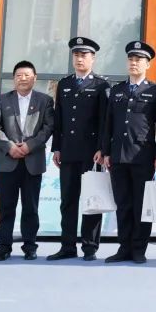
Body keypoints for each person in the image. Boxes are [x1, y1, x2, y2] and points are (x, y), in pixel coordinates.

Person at [101, 41, 156, 264]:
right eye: (131, 59)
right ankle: (124, 247)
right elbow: (108, 123)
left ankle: (139, 248)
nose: (134, 63)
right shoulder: (117, 90)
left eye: (138, 60)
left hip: (143, 156)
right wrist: (106, 151)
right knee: (123, 204)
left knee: (142, 204)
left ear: (147, 64)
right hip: (118, 155)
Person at [47, 37, 110, 261]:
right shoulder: (65, 84)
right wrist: (56, 147)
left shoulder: (101, 85)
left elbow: (105, 121)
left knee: (92, 201)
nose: (79, 59)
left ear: (93, 58)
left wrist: (102, 148)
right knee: (68, 200)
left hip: (91, 153)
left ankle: (90, 247)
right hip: (68, 151)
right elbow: (59, 119)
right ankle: (67, 246)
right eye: (76, 55)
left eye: (84, 55)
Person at [0, 60, 54, 261]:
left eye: (27, 75)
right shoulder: (2, 100)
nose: (22, 79)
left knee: (30, 207)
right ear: (13, 78)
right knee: (6, 206)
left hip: (32, 161)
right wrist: (9, 146)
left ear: (35, 78)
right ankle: (4, 246)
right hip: (7, 161)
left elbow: (48, 127)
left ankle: (30, 246)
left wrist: (29, 146)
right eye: (18, 75)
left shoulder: (45, 100)